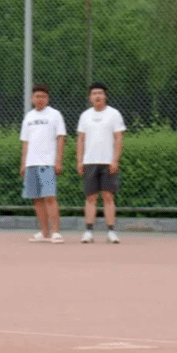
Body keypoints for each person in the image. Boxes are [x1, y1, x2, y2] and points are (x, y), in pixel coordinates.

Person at [76, 82, 125, 244]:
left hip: (108, 162)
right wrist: (80, 161)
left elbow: (119, 138)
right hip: (90, 162)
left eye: (100, 93)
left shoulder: (114, 114)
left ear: (105, 96)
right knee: (91, 197)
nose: (97, 96)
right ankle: (88, 232)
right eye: (94, 93)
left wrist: (115, 160)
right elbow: (80, 139)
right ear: (90, 97)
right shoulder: (85, 116)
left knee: (108, 196)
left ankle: (111, 232)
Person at [19, 84, 66, 243]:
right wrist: (23, 163)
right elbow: (25, 142)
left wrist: (58, 161)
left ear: (48, 99)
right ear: (32, 99)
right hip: (31, 163)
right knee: (36, 199)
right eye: (37, 96)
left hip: (47, 163)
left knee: (49, 197)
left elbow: (61, 138)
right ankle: (45, 233)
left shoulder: (55, 115)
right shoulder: (29, 117)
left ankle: (56, 232)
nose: (40, 99)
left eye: (43, 96)